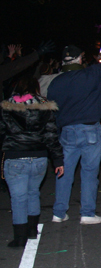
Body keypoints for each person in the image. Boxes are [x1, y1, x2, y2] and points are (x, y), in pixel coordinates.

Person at [47, 20, 101, 225]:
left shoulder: (55, 82)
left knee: (64, 173)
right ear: (79, 59)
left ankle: (59, 212)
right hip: (90, 130)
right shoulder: (90, 75)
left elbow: (52, 112)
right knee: (90, 173)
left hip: (66, 132)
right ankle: (87, 213)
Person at [0, 76, 64, 248]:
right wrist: (58, 159)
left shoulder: (7, 107)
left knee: (18, 198)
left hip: (15, 157)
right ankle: (32, 231)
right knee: (33, 192)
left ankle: (20, 238)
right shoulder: (45, 107)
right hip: (39, 158)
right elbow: (51, 135)